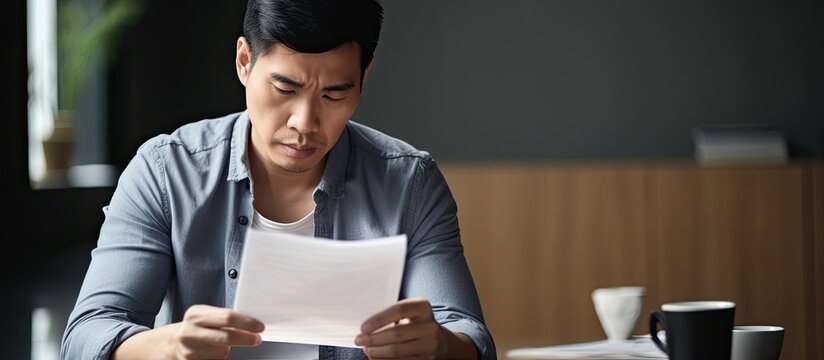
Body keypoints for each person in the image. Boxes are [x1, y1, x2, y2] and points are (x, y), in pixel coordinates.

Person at [60, 0, 496, 359]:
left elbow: (471, 337)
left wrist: (438, 345)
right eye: (285, 89)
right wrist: (167, 346)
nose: (305, 123)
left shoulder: (409, 181)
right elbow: (86, 334)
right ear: (244, 62)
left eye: (334, 93)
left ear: (363, 79)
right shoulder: (165, 170)